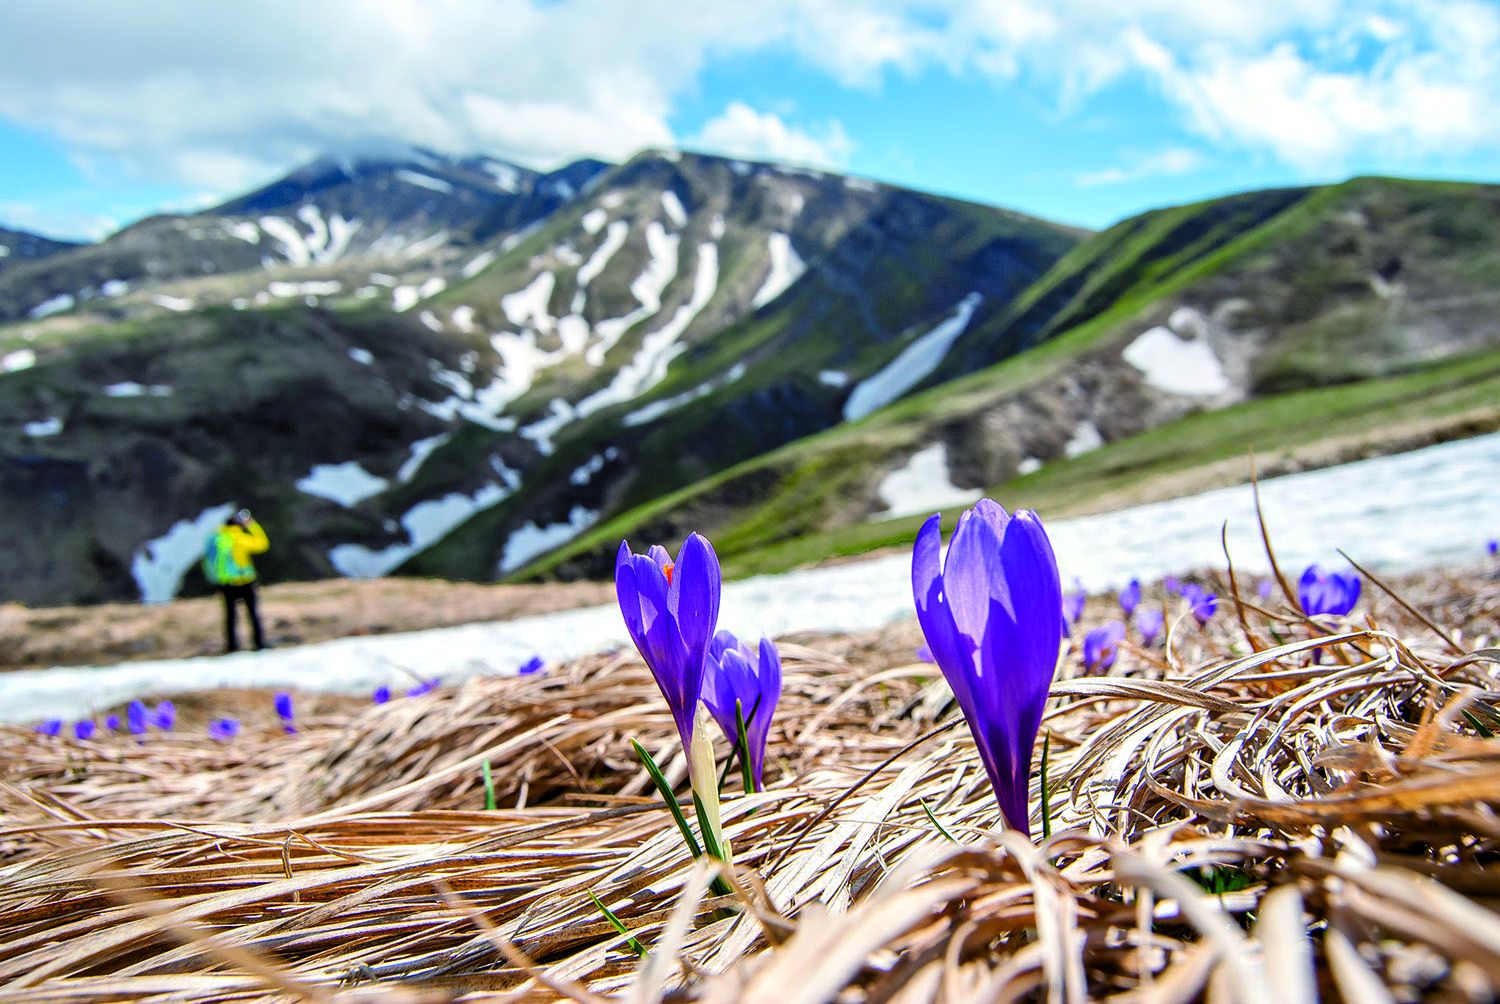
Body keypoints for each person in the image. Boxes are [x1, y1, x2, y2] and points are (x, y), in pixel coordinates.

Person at [203, 508, 270, 653]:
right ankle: (259, 643)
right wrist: (252, 525)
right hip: (244, 580)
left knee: (230, 616)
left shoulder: (217, 538)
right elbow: (262, 544)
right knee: (252, 613)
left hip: (225, 582)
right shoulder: (238, 538)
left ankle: (232, 645)